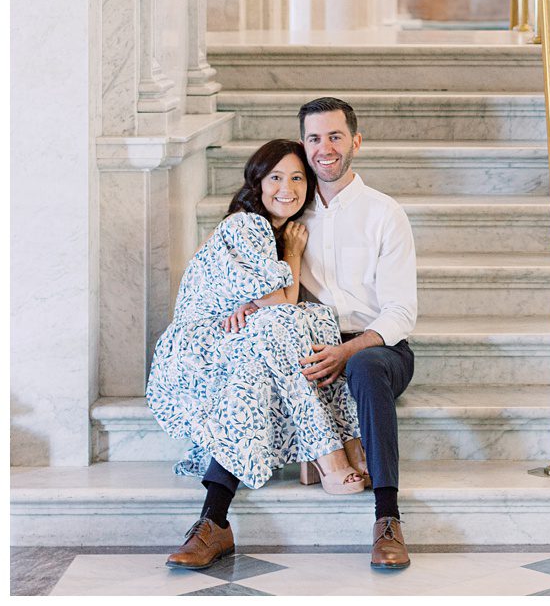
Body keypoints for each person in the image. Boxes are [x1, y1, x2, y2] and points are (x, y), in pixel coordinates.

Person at [193, 96, 421, 569]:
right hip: (301, 346)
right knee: (252, 363)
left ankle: (387, 518)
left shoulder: (385, 213)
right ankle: (213, 520)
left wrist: (348, 349)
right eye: (314, 138)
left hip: (376, 345)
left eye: (335, 136)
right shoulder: (287, 209)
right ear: (304, 144)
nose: (325, 148)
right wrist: (245, 304)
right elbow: (260, 280)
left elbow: (401, 312)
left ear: (355, 141)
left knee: (365, 365)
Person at [152, 141, 368, 570]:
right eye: (275, 177)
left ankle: (213, 521)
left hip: (235, 344)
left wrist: (258, 304)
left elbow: (274, 303)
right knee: (282, 324)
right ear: (256, 181)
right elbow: (281, 301)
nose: (286, 188)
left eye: (297, 178)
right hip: (196, 350)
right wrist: (291, 254)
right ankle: (333, 449)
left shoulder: (268, 230)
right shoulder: (247, 225)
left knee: (275, 345)